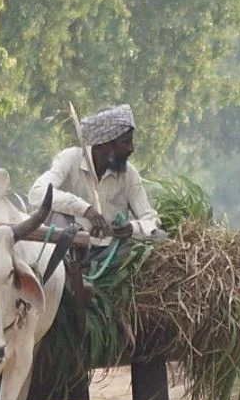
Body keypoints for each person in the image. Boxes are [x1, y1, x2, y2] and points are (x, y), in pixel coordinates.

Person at [28, 103, 164, 273]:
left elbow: (150, 218)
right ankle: (68, 273)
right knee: (57, 216)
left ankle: (87, 275)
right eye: (125, 142)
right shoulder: (70, 159)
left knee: (159, 238)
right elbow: (37, 193)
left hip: (108, 255)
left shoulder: (129, 174)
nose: (132, 148)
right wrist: (86, 210)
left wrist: (132, 228)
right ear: (105, 145)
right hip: (67, 250)